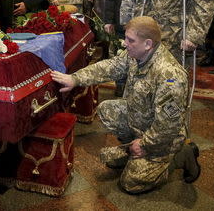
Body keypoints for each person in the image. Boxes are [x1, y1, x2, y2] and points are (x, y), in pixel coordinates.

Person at [51, 16, 200, 193]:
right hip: (141, 122)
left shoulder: (170, 76)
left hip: (164, 139)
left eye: (130, 40)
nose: (125, 43)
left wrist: (145, 145)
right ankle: (134, 150)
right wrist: (75, 79)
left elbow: (167, 126)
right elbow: (110, 66)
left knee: (131, 183)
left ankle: (180, 155)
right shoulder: (136, 55)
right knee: (107, 110)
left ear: (148, 44)